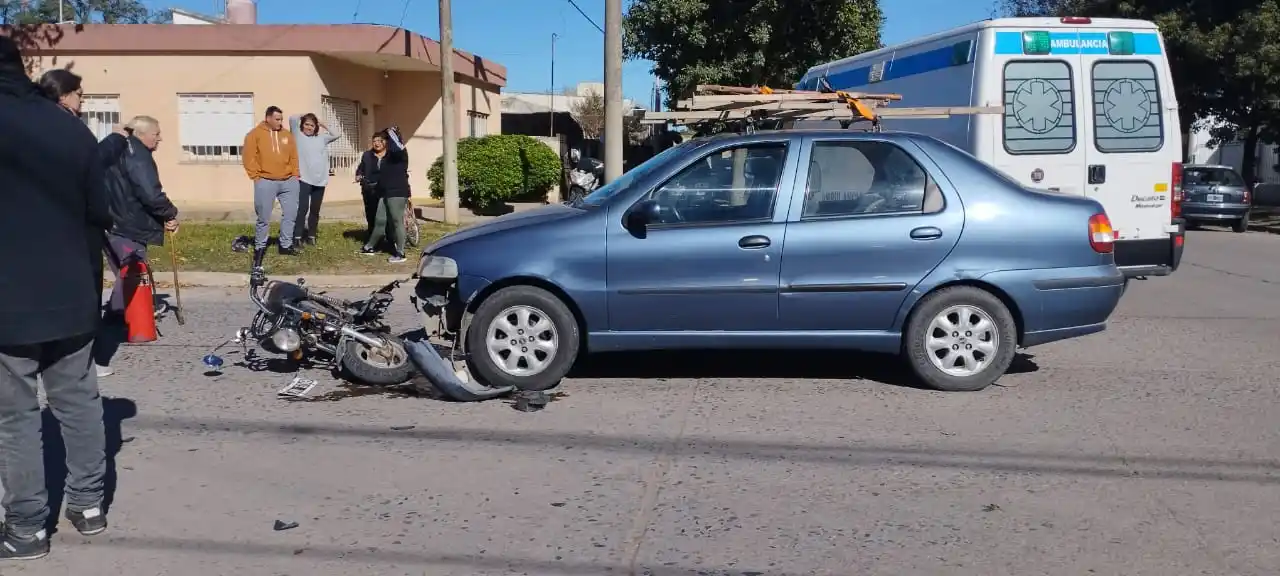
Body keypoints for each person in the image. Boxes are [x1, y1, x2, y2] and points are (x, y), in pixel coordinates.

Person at [0, 36, 113, 561]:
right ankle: (88, 506)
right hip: (72, 289)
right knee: (79, 401)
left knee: (15, 414)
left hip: (9, 298)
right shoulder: (69, 127)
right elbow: (100, 212)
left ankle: (26, 529)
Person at [95, 115, 180, 376]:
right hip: (127, 224)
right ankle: (112, 325)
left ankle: (117, 318)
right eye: (156, 133)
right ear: (142, 134)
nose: (160, 138)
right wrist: (170, 213)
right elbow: (150, 193)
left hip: (111, 221)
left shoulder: (119, 149)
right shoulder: (138, 155)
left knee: (125, 274)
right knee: (132, 274)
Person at [242, 105, 301, 258]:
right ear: (268, 118)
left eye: (281, 119)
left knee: (291, 214)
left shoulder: (287, 135)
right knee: (263, 217)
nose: (280, 122)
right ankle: (260, 246)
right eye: (277, 119)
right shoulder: (254, 134)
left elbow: (294, 156)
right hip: (265, 181)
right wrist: (256, 177)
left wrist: (295, 175)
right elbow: (248, 157)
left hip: (288, 181)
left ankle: (285, 245)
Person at [289, 112, 342, 246]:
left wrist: (323, 123)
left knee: (315, 210)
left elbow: (337, 134)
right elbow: (292, 119)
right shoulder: (297, 135)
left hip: (320, 180)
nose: (309, 127)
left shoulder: (321, 138)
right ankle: (297, 237)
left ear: (316, 127)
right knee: (302, 209)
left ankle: (311, 236)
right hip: (304, 179)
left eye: (312, 125)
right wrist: (304, 115)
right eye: (306, 124)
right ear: (302, 125)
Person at [360, 126, 410, 264]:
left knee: (396, 221)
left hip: (397, 192)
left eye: (385, 139)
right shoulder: (387, 155)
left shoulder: (400, 152)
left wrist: (390, 131)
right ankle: (369, 247)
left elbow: (395, 142)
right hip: (385, 192)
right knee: (380, 221)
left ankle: (400, 252)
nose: (382, 142)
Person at [354, 134, 384, 237]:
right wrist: (358, 175)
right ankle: (372, 235)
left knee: (384, 213)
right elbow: (361, 168)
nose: (377, 143)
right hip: (369, 188)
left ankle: (387, 236)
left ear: (384, 142)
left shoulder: (388, 155)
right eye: (374, 141)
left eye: (379, 141)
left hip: (384, 188)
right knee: (371, 213)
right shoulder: (367, 155)